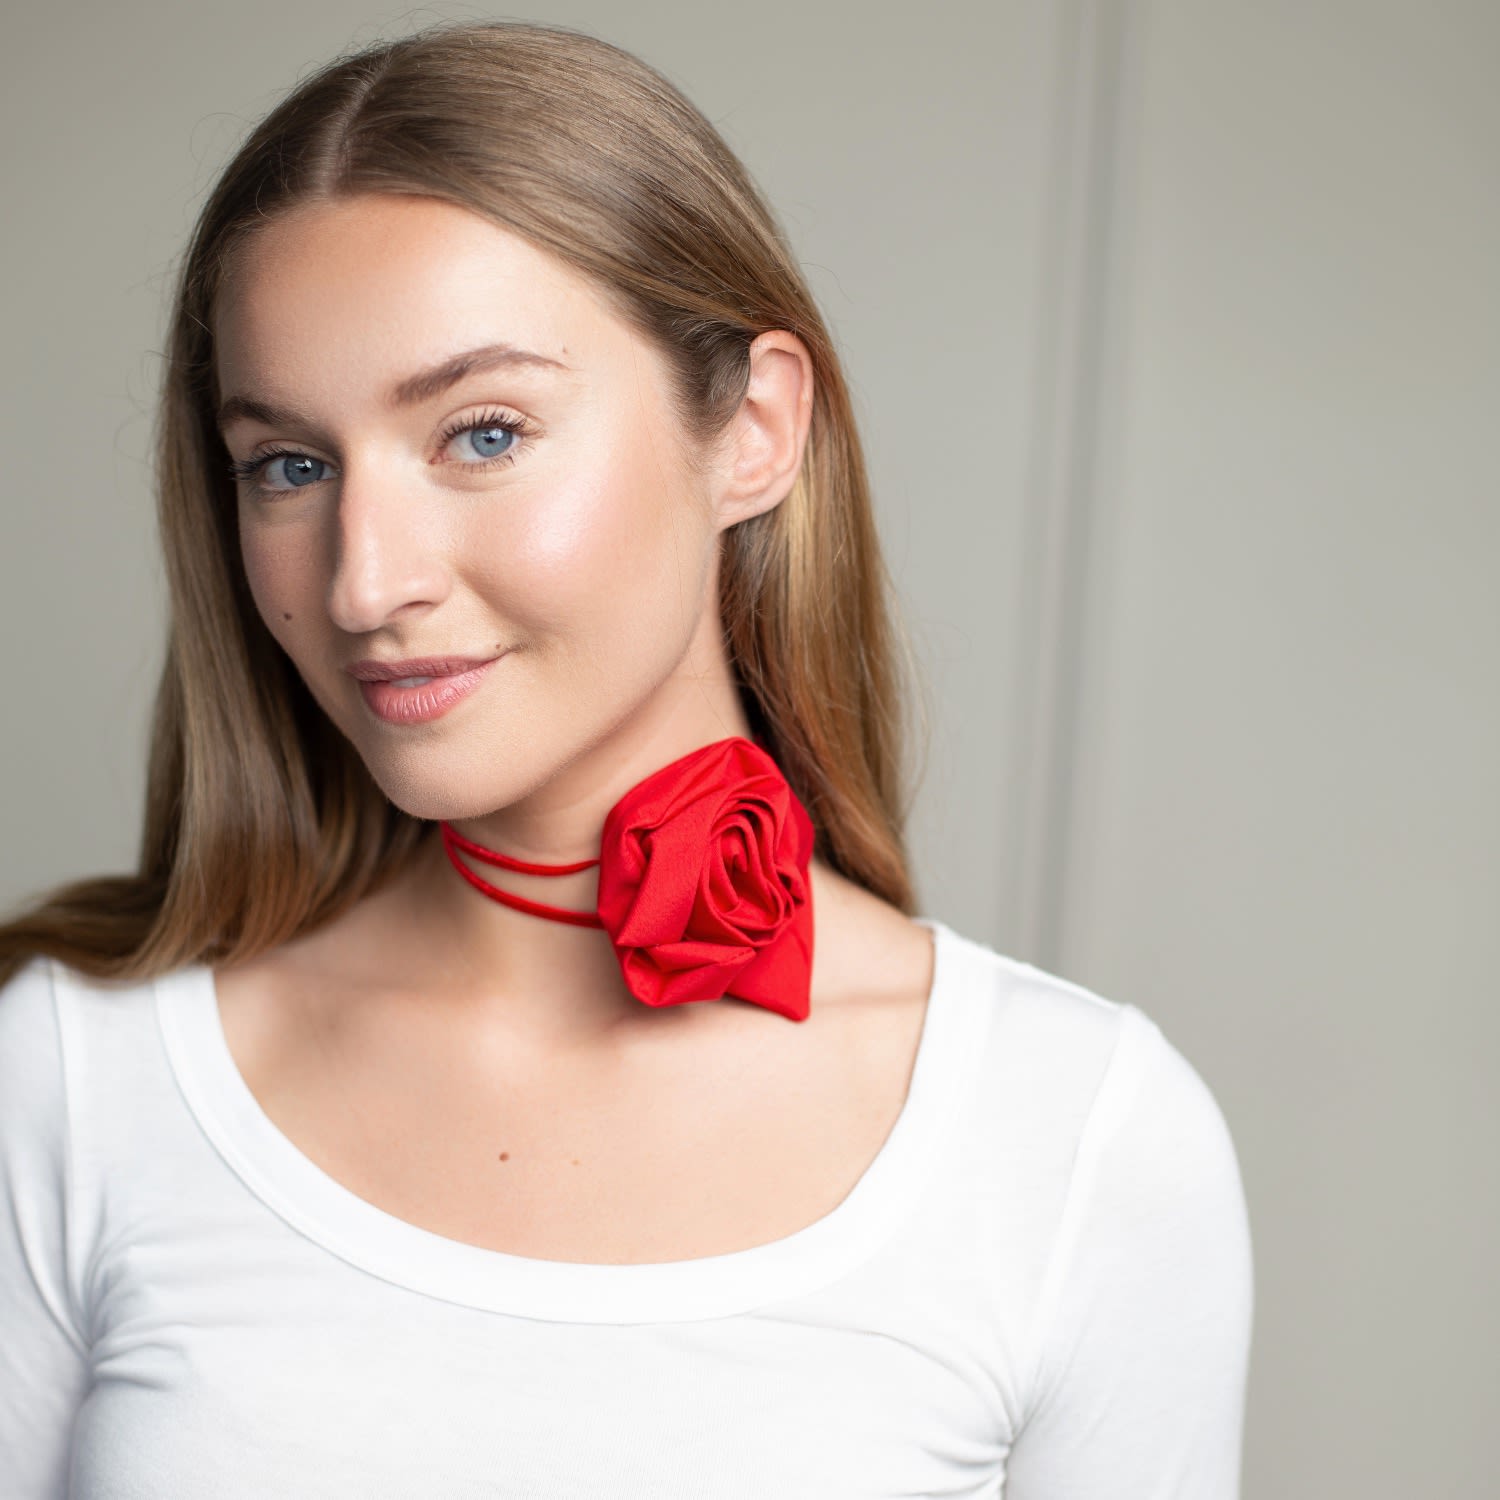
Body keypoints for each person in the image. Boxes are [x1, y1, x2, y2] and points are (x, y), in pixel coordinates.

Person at [0, 19, 1253, 1497]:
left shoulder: (1079, 1139)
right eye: (291, 464)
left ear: (755, 430)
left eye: (482, 434)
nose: (364, 582)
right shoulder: (78, 1074)